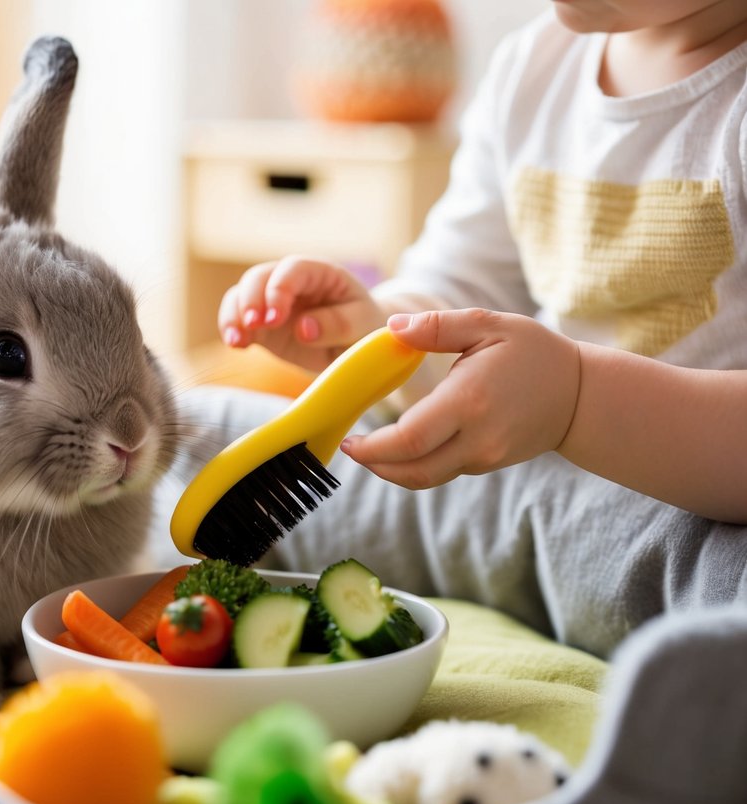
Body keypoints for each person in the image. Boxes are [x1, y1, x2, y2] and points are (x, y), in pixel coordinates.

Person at [150, 0, 747, 655]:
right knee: (186, 433)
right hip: (514, 498)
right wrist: (370, 331)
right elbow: (460, 288)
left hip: (686, 533)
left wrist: (577, 401)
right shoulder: (532, 68)